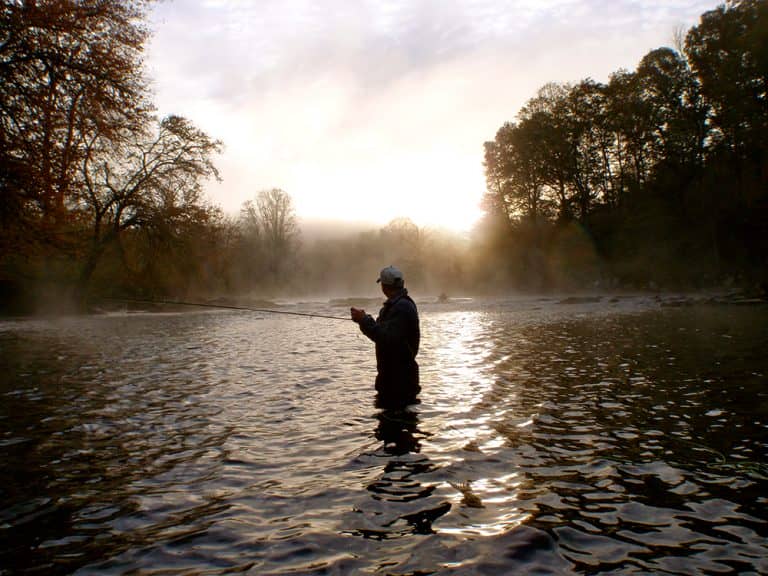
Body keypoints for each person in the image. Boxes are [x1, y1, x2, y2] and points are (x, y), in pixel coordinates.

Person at [351, 265, 420, 407]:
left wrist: (364, 320)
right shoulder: (395, 306)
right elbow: (382, 331)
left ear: (384, 286)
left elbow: (386, 338)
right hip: (394, 378)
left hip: (399, 381)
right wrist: (364, 318)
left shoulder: (401, 307)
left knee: (393, 425)